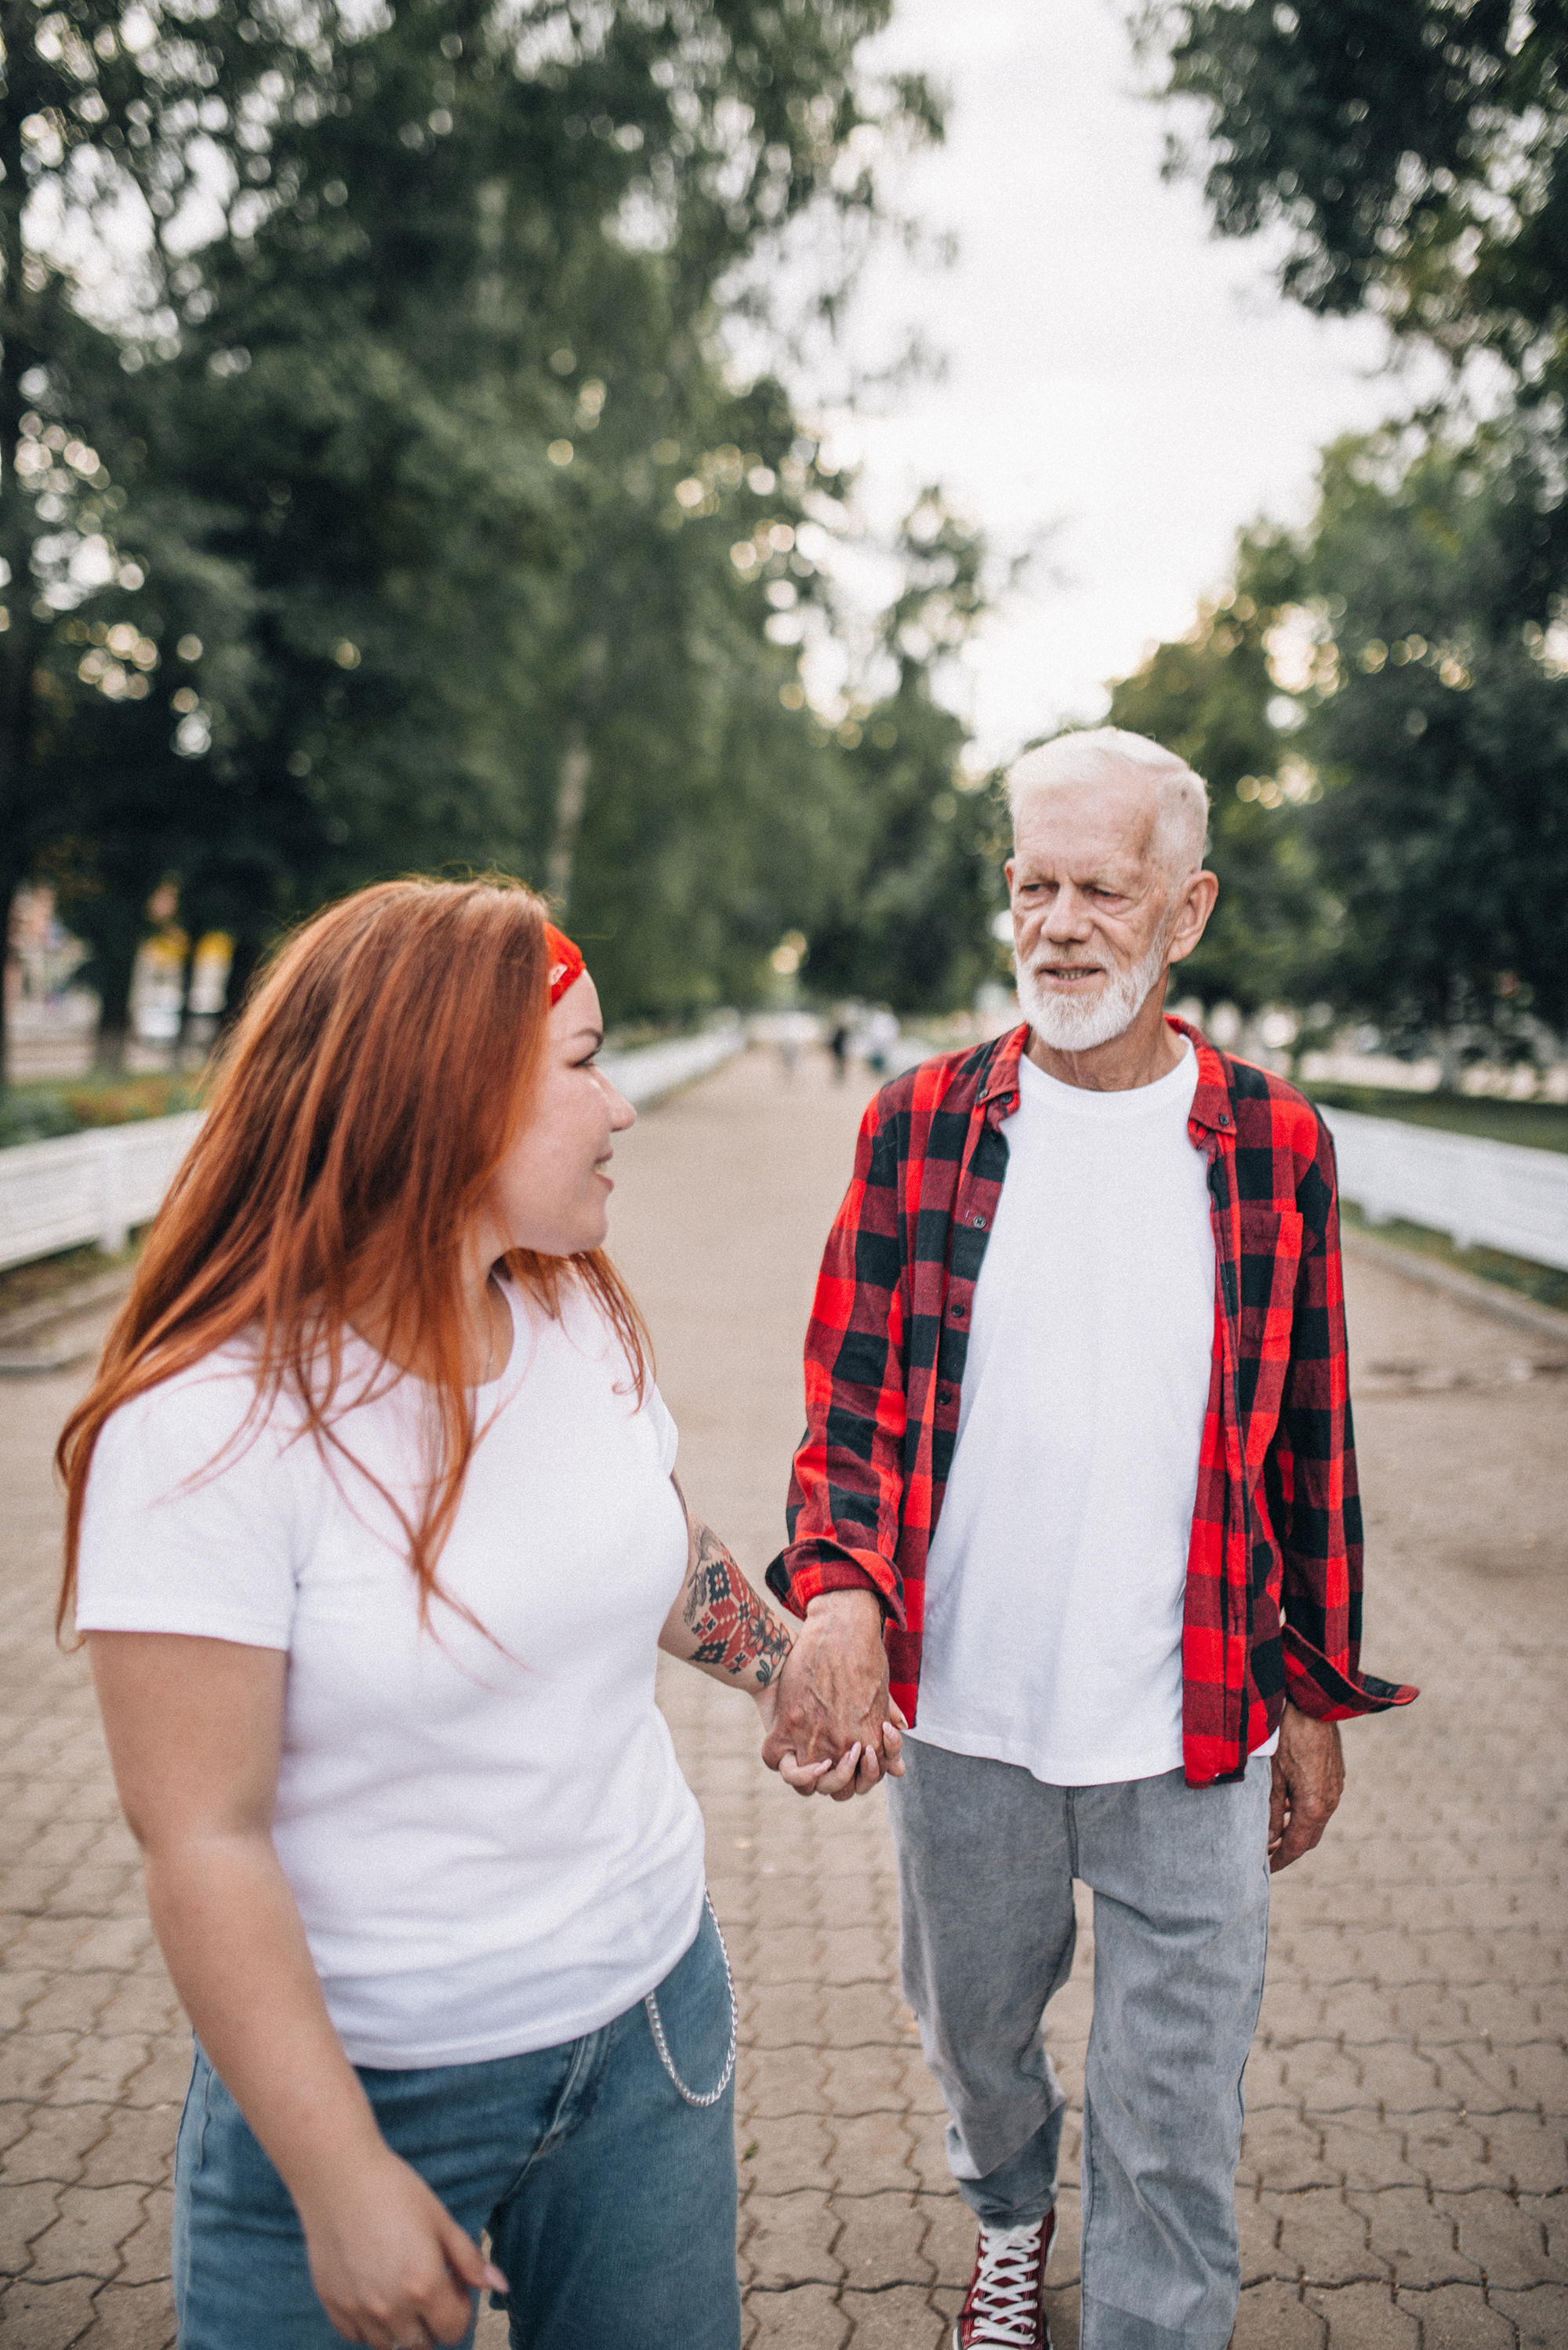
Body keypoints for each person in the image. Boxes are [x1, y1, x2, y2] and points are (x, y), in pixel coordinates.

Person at [59, 877, 861, 2350]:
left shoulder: (570, 1308)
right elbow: (203, 1841)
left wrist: (777, 1663)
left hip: (648, 2038)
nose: (620, 1107)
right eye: (582, 1062)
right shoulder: (204, 1426)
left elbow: (654, 1545)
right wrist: (342, 2174)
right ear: (446, 1099)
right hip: (355, 2090)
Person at [760, 730, 1417, 2350]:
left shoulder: (1273, 1145)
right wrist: (835, 1592)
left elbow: (1311, 1444)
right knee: (975, 2038)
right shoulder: (918, 1126)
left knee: (1173, 2118)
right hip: (969, 1715)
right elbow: (846, 1403)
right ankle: (1006, 2211)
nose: (1059, 922)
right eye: (1033, 885)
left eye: (1101, 889)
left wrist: (1312, 1694)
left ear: (1183, 908)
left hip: (1191, 1717)